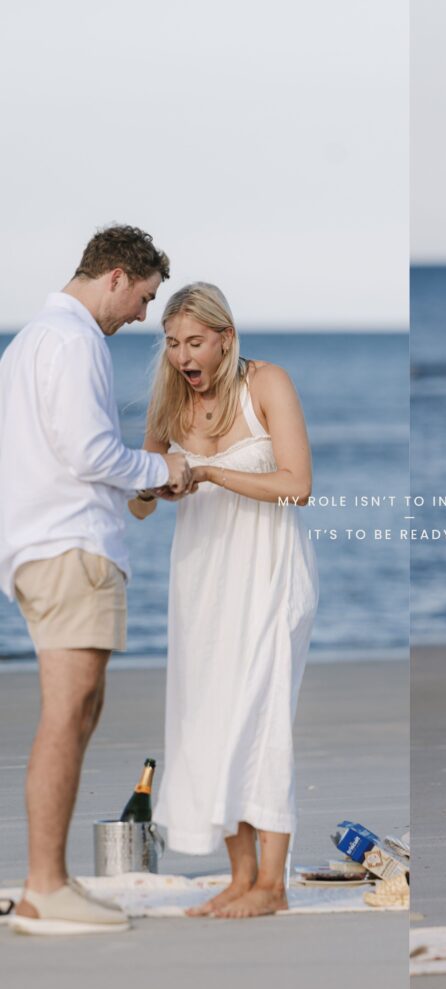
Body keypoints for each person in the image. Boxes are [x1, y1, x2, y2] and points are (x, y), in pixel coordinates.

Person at [0, 225, 192, 936]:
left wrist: (135, 484)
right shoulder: (74, 339)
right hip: (69, 550)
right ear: (115, 277)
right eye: (142, 299)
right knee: (67, 713)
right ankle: (44, 886)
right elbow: (87, 451)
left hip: (41, 547)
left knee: (76, 712)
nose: (141, 316)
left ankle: (47, 882)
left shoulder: (28, 342)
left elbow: (49, 455)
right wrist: (162, 471)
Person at [129, 282, 318, 918]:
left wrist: (208, 472)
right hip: (201, 581)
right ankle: (240, 878)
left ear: (225, 338)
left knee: (261, 717)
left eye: (195, 342)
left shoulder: (266, 384)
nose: (183, 355)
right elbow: (138, 505)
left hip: (269, 573)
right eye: (172, 342)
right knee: (208, 718)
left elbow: (298, 487)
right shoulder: (169, 404)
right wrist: (158, 484)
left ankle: (274, 884)